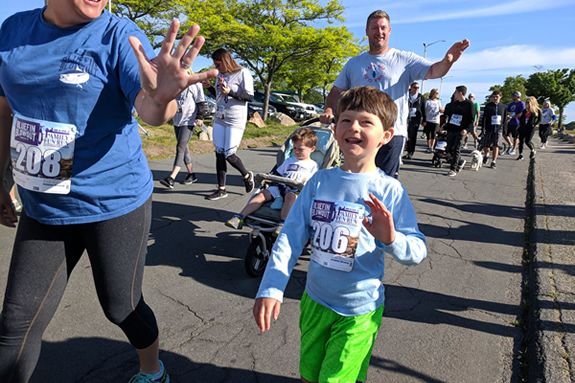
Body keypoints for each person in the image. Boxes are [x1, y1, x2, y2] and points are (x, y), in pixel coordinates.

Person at [0, 1, 216, 382]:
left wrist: (164, 97)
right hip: (44, 206)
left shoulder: (118, 35)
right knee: (16, 323)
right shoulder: (13, 30)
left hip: (114, 203)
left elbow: (149, 108)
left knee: (122, 307)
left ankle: (152, 369)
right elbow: (4, 109)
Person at [253, 86, 427, 383]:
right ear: (335, 129)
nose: (354, 128)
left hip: (359, 310)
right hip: (315, 301)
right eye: (346, 120)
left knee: (334, 379)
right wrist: (271, 286)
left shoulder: (389, 191)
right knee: (310, 374)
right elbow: (291, 236)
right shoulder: (320, 181)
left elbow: (417, 250)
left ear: (386, 136)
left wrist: (391, 238)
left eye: (366, 122)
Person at [320, 9, 469, 178]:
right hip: (359, 132)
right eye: (374, 28)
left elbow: (434, 71)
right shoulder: (354, 63)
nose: (379, 32)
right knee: (356, 179)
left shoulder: (404, 60)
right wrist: (329, 110)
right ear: (367, 31)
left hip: (391, 133)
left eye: (383, 27)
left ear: (389, 30)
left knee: (384, 184)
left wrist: (447, 61)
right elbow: (336, 92)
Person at [225, 127, 318, 231]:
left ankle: (282, 223)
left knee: (290, 197)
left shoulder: (313, 165)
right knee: (262, 194)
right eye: (295, 148)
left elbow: (312, 182)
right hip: (281, 185)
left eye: (300, 149)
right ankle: (240, 217)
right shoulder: (289, 161)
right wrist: (268, 177)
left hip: (296, 189)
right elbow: (277, 173)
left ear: (312, 149)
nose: (296, 151)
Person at [206, 48, 255, 201]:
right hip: (220, 117)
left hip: (235, 119)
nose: (217, 68)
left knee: (229, 154)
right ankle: (221, 189)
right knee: (219, 152)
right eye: (215, 65)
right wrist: (209, 88)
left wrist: (231, 93)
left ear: (226, 61)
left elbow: (249, 97)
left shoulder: (243, 72)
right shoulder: (220, 74)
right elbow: (220, 96)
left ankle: (247, 175)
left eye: (218, 64)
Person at [160, 82, 207, 189]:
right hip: (177, 120)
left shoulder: (196, 84)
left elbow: (201, 102)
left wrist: (200, 116)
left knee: (180, 147)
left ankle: (171, 178)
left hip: (189, 120)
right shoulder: (175, 82)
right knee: (184, 147)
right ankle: (191, 174)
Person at [443, 85, 474, 177]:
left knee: (456, 149)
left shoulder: (469, 104)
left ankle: (453, 169)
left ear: (460, 93)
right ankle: (460, 161)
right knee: (449, 149)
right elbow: (449, 117)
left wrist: (466, 129)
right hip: (451, 129)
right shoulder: (454, 104)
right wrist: (444, 126)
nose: (454, 94)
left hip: (461, 130)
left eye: (456, 92)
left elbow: (471, 120)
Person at [481, 90, 507, 169]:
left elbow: (505, 119)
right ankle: (486, 155)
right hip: (489, 128)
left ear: (500, 97)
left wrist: (505, 129)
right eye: (494, 96)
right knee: (486, 145)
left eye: (497, 96)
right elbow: (484, 118)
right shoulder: (488, 106)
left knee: (496, 145)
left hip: (498, 129)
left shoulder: (503, 106)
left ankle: (493, 162)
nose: (495, 98)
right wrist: (483, 128)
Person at [403, 81, 426, 159]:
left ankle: (410, 152)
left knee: (412, 136)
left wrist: (424, 120)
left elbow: (423, 109)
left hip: (415, 119)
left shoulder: (421, 97)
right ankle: (404, 149)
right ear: (411, 88)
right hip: (405, 118)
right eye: (415, 87)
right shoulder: (405, 95)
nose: (416, 89)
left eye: (418, 88)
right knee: (404, 135)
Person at [516, 96, 542, 160]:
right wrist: (519, 118)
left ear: (532, 102)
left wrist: (534, 124)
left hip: (530, 128)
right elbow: (521, 118)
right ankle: (520, 154)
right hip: (522, 127)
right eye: (526, 102)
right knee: (521, 141)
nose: (527, 104)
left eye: (528, 102)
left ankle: (533, 150)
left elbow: (539, 119)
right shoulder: (524, 110)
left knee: (527, 141)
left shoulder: (537, 110)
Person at [504, 91, 525, 156]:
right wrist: (508, 116)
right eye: (512, 95)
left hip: (517, 122)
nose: (512, 96)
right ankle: (510, 144)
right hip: (509, 122)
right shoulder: (511, 104)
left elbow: (522, 113)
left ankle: (514, 149)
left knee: (515, 137)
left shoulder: (521, 103)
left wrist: (514, 116)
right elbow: (508, 111)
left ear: (518, 96)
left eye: (514, 95)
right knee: (505, 134)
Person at [423, 88, 443, 153]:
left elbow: (441, 109)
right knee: (428, 134)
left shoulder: (438, 102)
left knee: (434, 134)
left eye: (438, 93)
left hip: (436, 120)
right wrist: (424, 120)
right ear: (433, 93)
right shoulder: (428, 101)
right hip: (428, 120)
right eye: (436, 93)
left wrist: (442, 110)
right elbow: (424, 111)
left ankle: (432, 147)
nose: (437, 94)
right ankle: (428, 146)